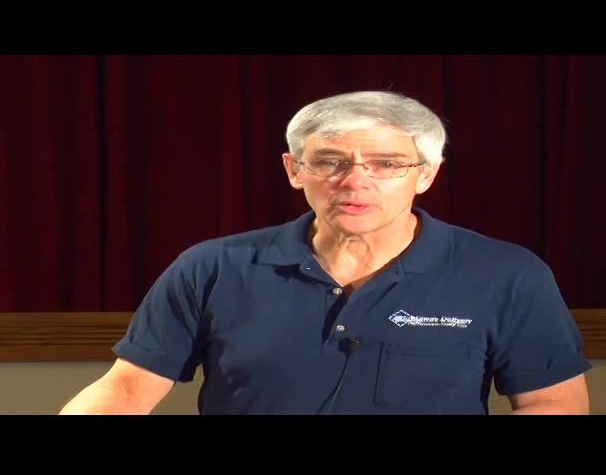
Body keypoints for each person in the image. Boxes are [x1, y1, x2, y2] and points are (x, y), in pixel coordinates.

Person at [59, 91, 591, 415]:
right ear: (294, 170)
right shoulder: (212, 267)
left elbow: (552, 402)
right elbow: (126, 391)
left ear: (426, 174)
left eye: (386, 164)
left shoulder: (507, 274)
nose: (354, 181)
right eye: (330, 162)